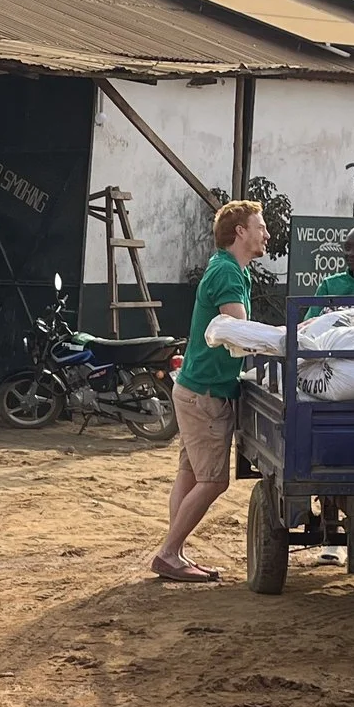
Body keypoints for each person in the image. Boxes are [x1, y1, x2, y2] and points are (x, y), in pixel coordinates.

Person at [152, 199, 268, 584]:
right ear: (240, 232)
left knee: (189, 473)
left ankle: (174, 551)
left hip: (195, 388)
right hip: (206, 393)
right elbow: (241, 333)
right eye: (260, 227)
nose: (266, 234)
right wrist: (285, 340)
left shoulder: (229, 269)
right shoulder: (228, 273)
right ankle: (169, 553)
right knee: (214, 481)